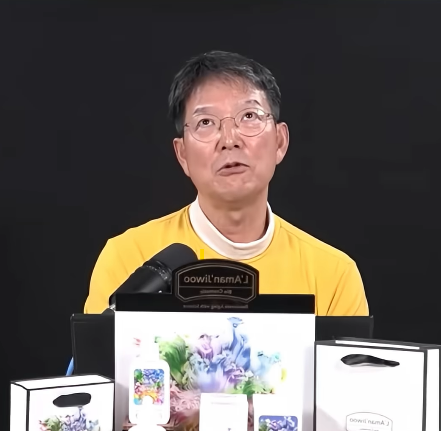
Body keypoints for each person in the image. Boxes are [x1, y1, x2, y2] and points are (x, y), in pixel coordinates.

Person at [84, 50, 369, 316]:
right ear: (182, 155)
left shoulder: (334, 275)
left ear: (280, 142)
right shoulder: (128, 258)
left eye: (249, 116)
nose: (229, 140)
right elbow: (96, 353)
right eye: (206, 122)